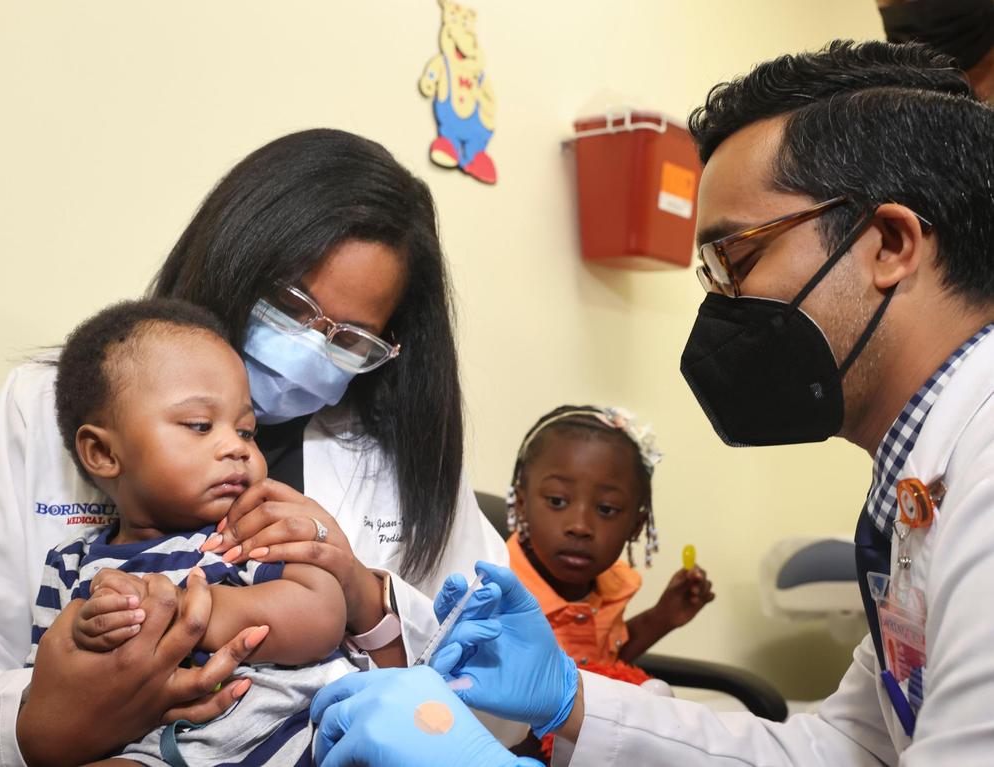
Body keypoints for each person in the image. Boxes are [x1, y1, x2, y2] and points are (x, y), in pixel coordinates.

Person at [308, 39, 994, 765]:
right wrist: (570, 696)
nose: (720, 305)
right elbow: (840, 750)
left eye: (735, 258)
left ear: (889, 243)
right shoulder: (922, 480)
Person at [0, 129, 508, 766]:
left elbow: (507, 696)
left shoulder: (402, 457)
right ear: (232, 255)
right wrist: (42, 724)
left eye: (351, 338)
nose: (312, 347)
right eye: (290, 302)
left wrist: (369, 603)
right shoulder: (49, 403)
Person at [34, 297, 355, 766]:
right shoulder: (69, 565)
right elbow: (47, 681)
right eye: (200, 425)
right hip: (160, 749)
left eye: (247, 431)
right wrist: (92, 633)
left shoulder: (239, 533)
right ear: (102, 453)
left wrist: (191, 609)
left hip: (295, 731)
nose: (236, 447)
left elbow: (321, 615)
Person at [505, 405, 713, 669]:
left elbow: (600, 666)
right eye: (557, 501)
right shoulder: (493, 594)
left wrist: (662, 617)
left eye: (606, 509)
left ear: (635, 527)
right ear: (521, 504)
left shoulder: (611, 587)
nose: (580, 526)